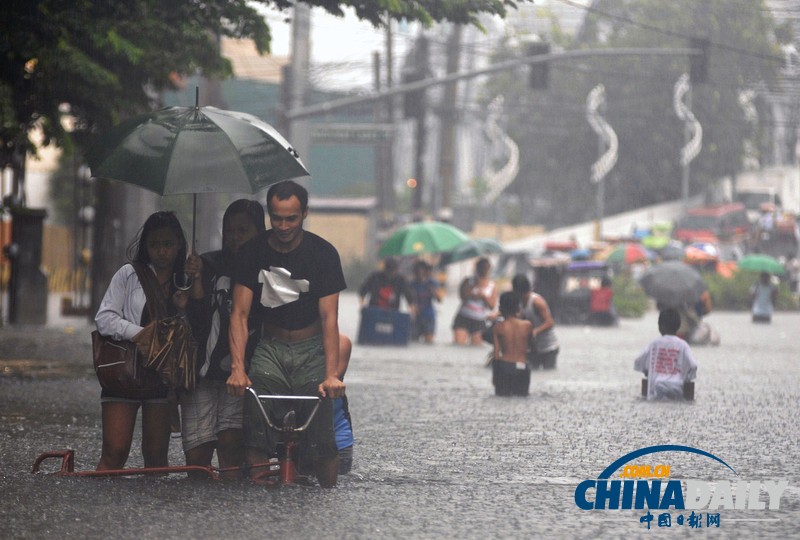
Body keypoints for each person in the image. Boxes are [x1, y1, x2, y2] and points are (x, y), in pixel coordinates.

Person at [227, 180, 346, 488]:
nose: (283, 225)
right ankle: (260, 486)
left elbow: (329, 318)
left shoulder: (323, 254)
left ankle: (327, 491)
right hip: (271, 345)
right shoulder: (252, 252)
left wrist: (331, 374)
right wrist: (238, 369)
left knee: (321, 422)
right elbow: (239, 313)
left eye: (291, 218)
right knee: (256, 407)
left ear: (304, 214)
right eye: (277, 217)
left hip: (312, 347)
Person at [94, 211, 189, 470]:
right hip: (124, 373)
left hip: (162, 379)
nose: (161, 252)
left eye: (167, 244)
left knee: (156, 457)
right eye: (155, 245)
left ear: (179, 243)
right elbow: (104, 319)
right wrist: (140, 334)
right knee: (114, 452)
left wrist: (185, 307)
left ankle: (154, 509)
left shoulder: (188, 281)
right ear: (146, 246)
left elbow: (192, 335)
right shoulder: (129, 275)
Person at [181, 199, 265, 479]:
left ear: (259, 231)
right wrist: (196, 281)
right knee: (196, 454)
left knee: (231, 442)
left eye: (244, 230)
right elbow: (197, 320)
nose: (235, 237)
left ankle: (231, 509)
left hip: (241, 371)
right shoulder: (207, 264)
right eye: (230, 230)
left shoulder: (266, 270)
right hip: (202, 369)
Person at [634, 308, 697, 401]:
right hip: (676, 387)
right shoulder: (683, 345)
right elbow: (693, 365)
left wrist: (646, 371)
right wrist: (687, 377)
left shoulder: (654, 344)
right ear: (678, 326)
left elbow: (638, 361)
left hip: (656, 387)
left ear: (659, 326)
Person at [511, 274, 560, 369]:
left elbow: (550, 322)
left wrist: (535, 331)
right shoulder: (518, 302)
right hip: (532, 348)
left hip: (548, 348)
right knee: (532, 373)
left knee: (547, 373)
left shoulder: (537, 302)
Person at [491, 292, 533, 396]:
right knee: (521, 398)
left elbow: (496, 354)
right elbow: (532, 347)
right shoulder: (527, 325)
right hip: (522, 367)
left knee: (501, 397)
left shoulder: (498, 327)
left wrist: (495, 376)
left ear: (500, 309)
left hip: (504, 367)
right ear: (518, 308)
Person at [452, 257, 498, 346]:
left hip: (479, 319)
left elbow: (492, 306)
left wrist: (483, 296)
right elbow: (463, 297)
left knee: (476, 345)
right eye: (482, 267)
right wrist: (475, 286)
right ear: (477, 268)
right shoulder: (468, 281)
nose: (484, 270)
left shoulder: (492, 285)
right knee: (458, 344)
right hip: (464, 316)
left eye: (486, 268)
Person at [409, 260, 444, 343]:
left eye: (420, 271)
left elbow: (440, 300)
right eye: (417, 271)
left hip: (429, 316)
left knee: (429, 341)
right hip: (416, 317)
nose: (419, 274)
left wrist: (434, 292)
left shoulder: (432, 283)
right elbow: (410, 301)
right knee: (413, 341)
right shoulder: (412, 284)